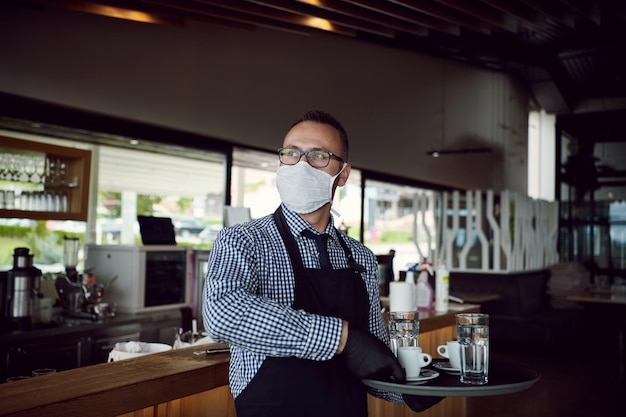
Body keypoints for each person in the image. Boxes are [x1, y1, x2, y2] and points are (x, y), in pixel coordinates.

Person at [204, 110, 442, 417]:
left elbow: (370, 361)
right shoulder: (243, 240)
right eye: (291, 153)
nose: (301, 164)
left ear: (342, 175)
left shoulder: (361, 258)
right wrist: (343, 338)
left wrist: (409, 387)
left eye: (318, 155)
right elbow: (223, 313)